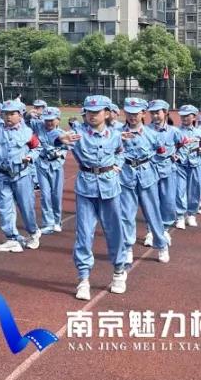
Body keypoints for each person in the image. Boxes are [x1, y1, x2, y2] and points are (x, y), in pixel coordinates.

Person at [62, 95, 127, 300]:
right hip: (86, 187)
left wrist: (117, 166)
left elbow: (120, 151)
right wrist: (59, 139)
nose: (92, 115)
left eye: (96, 111)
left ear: (106, 113)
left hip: (109, 187)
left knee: (114, 231)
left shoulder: (115, 135)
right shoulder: (79, 133)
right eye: (89, 111)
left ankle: (118, 271)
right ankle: (83, 279)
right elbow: (58, 138)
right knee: (84, 234)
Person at [116, 98, 170, 265]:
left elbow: (161, 152)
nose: (132, 116)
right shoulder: (117, 133)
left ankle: (161, 245)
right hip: (126, 175)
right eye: (129, 113)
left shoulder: (151, 133)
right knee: (127, 215)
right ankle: (128, 248)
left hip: (146, 176)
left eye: (136, 113)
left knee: (152, 212)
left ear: (143, 114)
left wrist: (152, 161)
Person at [0, 100, 42, 253]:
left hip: (22, 175)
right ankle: (12, 238)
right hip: (2, 175)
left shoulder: (27, 132)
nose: (8, 117)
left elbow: (37, 147)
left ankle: (33, 232)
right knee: (5, 208)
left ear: (20, 115)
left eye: (12, 113)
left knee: (26, 207)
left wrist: (30, 157)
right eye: (5, 113)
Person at [144, 100, 178, 247]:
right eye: (152, 113)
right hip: (150, 171)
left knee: (169, 202)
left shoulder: (174, 131)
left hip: (168, 171)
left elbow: (183, 144)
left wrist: (178, 156)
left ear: (165, 113)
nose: (155, 116)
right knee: (152, 203)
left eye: (158, 112)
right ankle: (151, 231)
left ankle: (164, 230)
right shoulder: (145, 130)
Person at [34, 107, 67, 234]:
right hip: (42, 164)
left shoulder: (62, 134)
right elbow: (27, 120)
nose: (49, 123)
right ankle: (48, 222)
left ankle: (57, 221)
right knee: (45, 195)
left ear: (58, 120)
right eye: (46, 120)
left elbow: (65, 148)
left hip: (56, 166)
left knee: (56, 195)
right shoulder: (39, 128)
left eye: (52, 120)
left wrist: (58, 155)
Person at [174, 104, 201, 229]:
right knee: (179, 190)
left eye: (187, 115)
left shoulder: (199, 131)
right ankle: (180, 216)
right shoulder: (176, 131)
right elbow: (171, 145)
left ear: (194, 117)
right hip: (180, 164)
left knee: (195, 190)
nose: (184, 118)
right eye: (182, 116)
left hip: (195, 163)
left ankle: (191, 214)